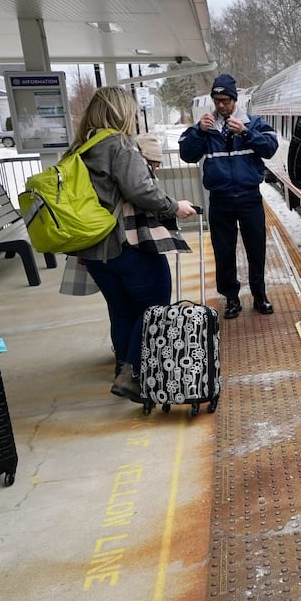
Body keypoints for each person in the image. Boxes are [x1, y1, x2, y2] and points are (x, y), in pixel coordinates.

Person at [69, 87, 196, 402]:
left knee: (122, 309)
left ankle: (124, 370)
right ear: (120, 112)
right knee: (155, 305)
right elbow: (141, 190)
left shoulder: (78, 150)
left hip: (93, 250)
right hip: (126, 244)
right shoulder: (119, 145)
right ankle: (135, 373)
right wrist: (173, 206)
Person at [178, 74, 278, 318]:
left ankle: (259, 295)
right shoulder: (206, 127)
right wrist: (200, 132)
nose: (220, 105)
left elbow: (270, 149)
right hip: (220, 199)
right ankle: (231, 298)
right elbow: (187, 154)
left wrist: (246, 133)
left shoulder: (253, 123)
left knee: (256, 248)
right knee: (223, 250)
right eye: (217, 100)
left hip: (249, 197)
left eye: (225, 100)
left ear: (234, 100)